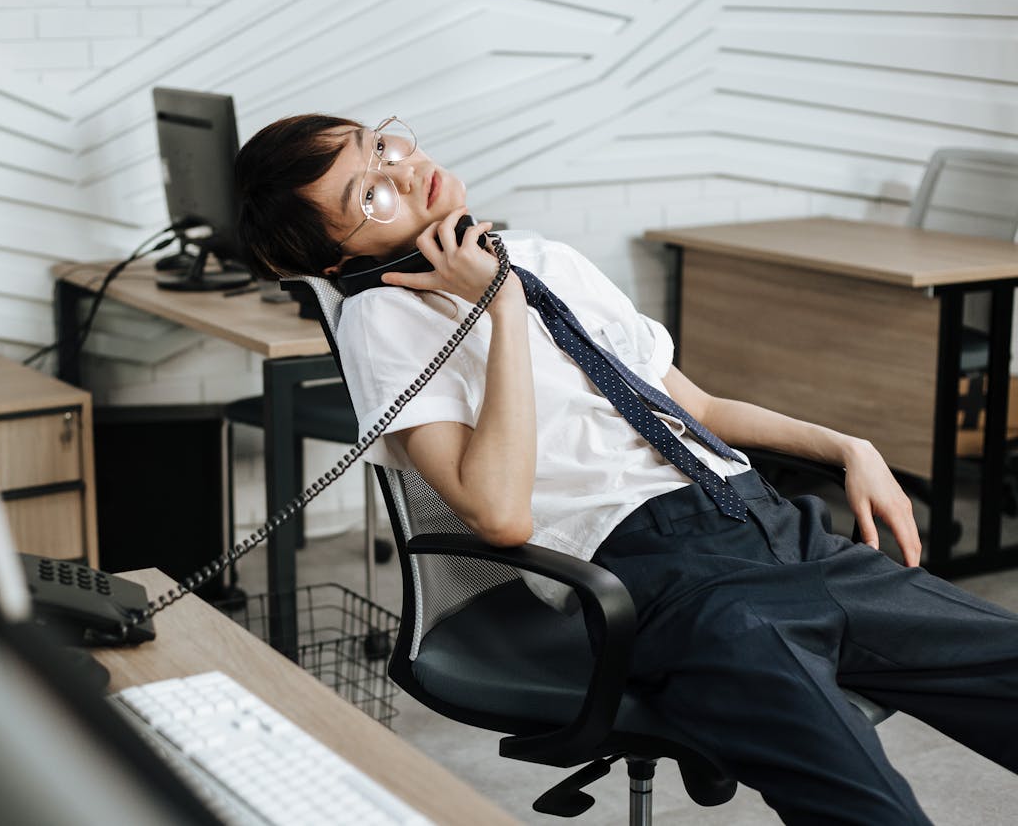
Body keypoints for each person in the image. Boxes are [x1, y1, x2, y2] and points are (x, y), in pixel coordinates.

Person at [233, 113, 1018, 824]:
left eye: (382, 146)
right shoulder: (385, 321)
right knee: (867, 802)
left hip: (776, 524)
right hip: (665, 577)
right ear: (342, 264)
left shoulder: (546, 256)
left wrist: (849, 445)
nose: (403, 173)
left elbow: (697, 407)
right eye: (369, 196)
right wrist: (501, 306)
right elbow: (499, 515)